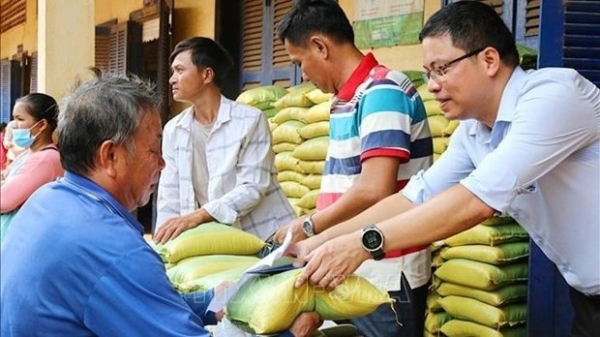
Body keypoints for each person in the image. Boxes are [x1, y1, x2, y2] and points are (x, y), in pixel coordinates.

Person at [290, 2, 600, 336]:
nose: (433, 85)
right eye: (428, 73)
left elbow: (476, 201)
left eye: (442, 68)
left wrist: (365, 244)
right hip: (586, 295)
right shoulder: (475, 130)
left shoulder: (554, 96)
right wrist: (320, 241)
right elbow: (415, 197)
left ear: (489, 59)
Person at [0, 74, 322, 337]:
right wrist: (291, 333)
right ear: (110, 156)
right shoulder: (112, 248)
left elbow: (133, 301)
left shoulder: (46, 201)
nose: (163, 164)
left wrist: (211, 300)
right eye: (154, 150)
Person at [273, 1, 434, 336]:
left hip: (386, 269)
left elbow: (375, 188)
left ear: (320, 46)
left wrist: (311, 225)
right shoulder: (348, 98)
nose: (302, 74)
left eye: (300, 62)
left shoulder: (382, 92)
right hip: (350, 262)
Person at [154, 36, 294, 244]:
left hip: (266, 236)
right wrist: (163, 243)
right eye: (173, 71)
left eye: (180, 70)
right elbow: (169, 196)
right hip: (214, 241)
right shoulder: (174, 130)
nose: (172, 79)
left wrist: (198, 216)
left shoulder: (250, 120)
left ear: (207, 74)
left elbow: (253, 187)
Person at [0, 93, 63, 243]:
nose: (14, 125)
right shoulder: (28, 154)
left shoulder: (45, 160)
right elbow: (5, 178)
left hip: (23, 239)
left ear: (41, 125)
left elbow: (4, 200)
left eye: (20, 119)